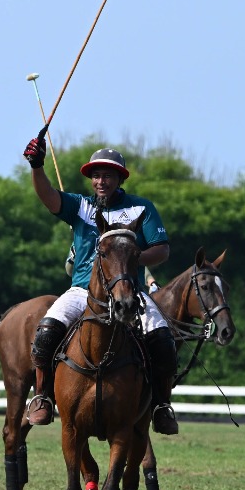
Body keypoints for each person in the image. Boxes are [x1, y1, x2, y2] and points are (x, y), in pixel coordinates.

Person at [20, 140, 183, 435]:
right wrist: (36, 166)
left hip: (129, 292)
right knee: (45, 333)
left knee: (163, 341)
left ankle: (161, 405)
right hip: (83, 291)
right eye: (95, 175)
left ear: (120, 178)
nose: (100, 181)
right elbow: (47, 197)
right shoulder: (80, 206)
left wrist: (130, 260)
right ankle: (42, 395)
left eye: (107, 175)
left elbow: (161, 249)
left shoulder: (141, 208)